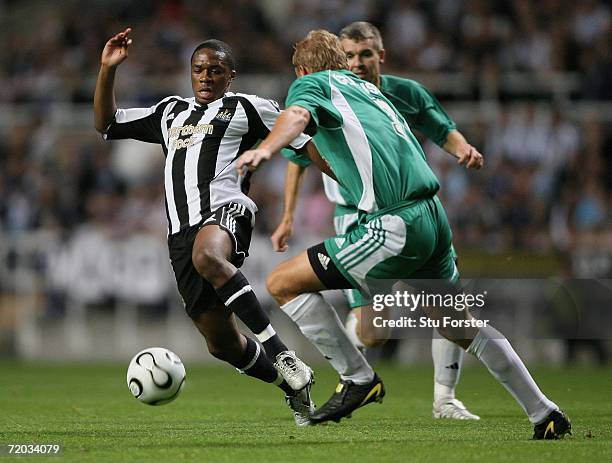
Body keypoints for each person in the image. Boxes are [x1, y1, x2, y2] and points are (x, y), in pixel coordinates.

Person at [236, 30, 571, 439]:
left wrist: (265, 149)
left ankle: (357, 378)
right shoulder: (375, 92)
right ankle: (544, 412)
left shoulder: (312, 83)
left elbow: (298, 116)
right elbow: (340, 156)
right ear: (343, 60)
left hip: (394, 223)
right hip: (433, 217)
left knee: (281, 282)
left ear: (304, 70)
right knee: (459, 326)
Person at [93, 28, 314, 426]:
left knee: (208, 255)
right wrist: (108, 69)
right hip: (180, 232)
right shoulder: (169, 112)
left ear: (231, 77)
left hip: (226, 212)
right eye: (199, 70)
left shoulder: (248, 108)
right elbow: (106, 123)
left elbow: (302, 136)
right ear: (190, 74)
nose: (206, 77)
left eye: (215, 70)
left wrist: (349, 178)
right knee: (222, 344)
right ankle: (292, 386)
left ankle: (283, 352)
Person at [271, 21, 481, 421]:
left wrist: (462, 148)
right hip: (357, 220)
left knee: (450, 301)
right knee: (376, 333)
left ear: (380, 55)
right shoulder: (326, 94)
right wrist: (286, 217)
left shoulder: (401, 93)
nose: (357, 62)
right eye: (349, 55)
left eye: (365, 54)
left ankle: (445, 398)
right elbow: (299, 156)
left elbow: (441, 127)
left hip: (410, 209)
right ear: (337, 58)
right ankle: (354, 370)